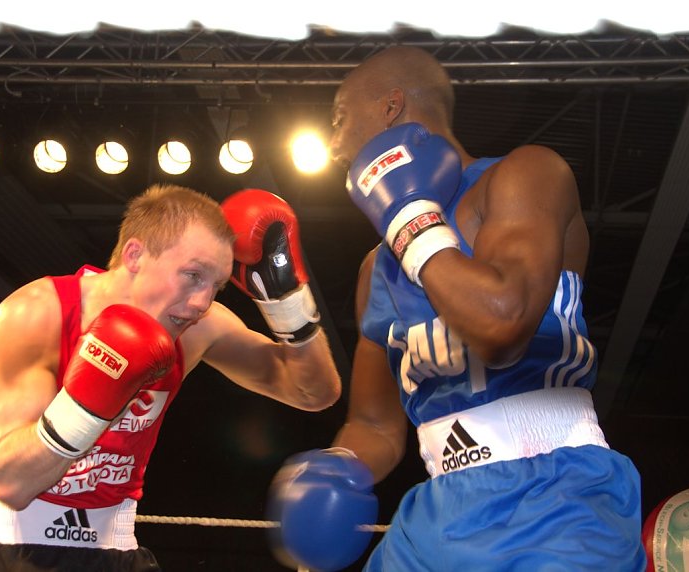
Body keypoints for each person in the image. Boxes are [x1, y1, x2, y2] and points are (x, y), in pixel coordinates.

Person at [267, 46, 646, 571]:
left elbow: (502, 322)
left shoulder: (525, 176)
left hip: (558, 494)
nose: (333, 145)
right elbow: (375, 424)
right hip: (437, 511)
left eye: (338, 118)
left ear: (391, 107)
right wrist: (336, 468)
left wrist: (409, 218)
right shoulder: (374, 270)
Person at [0, 183, 342, 571]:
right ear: (135, 255)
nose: (202, 302)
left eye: (217, 286)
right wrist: (91, 398)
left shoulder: (198, 328)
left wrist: (286, 302)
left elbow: (315, 393)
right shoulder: (39, 312)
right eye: (193, 275)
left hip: (114, 550)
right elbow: (12, 484)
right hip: (5, 551)